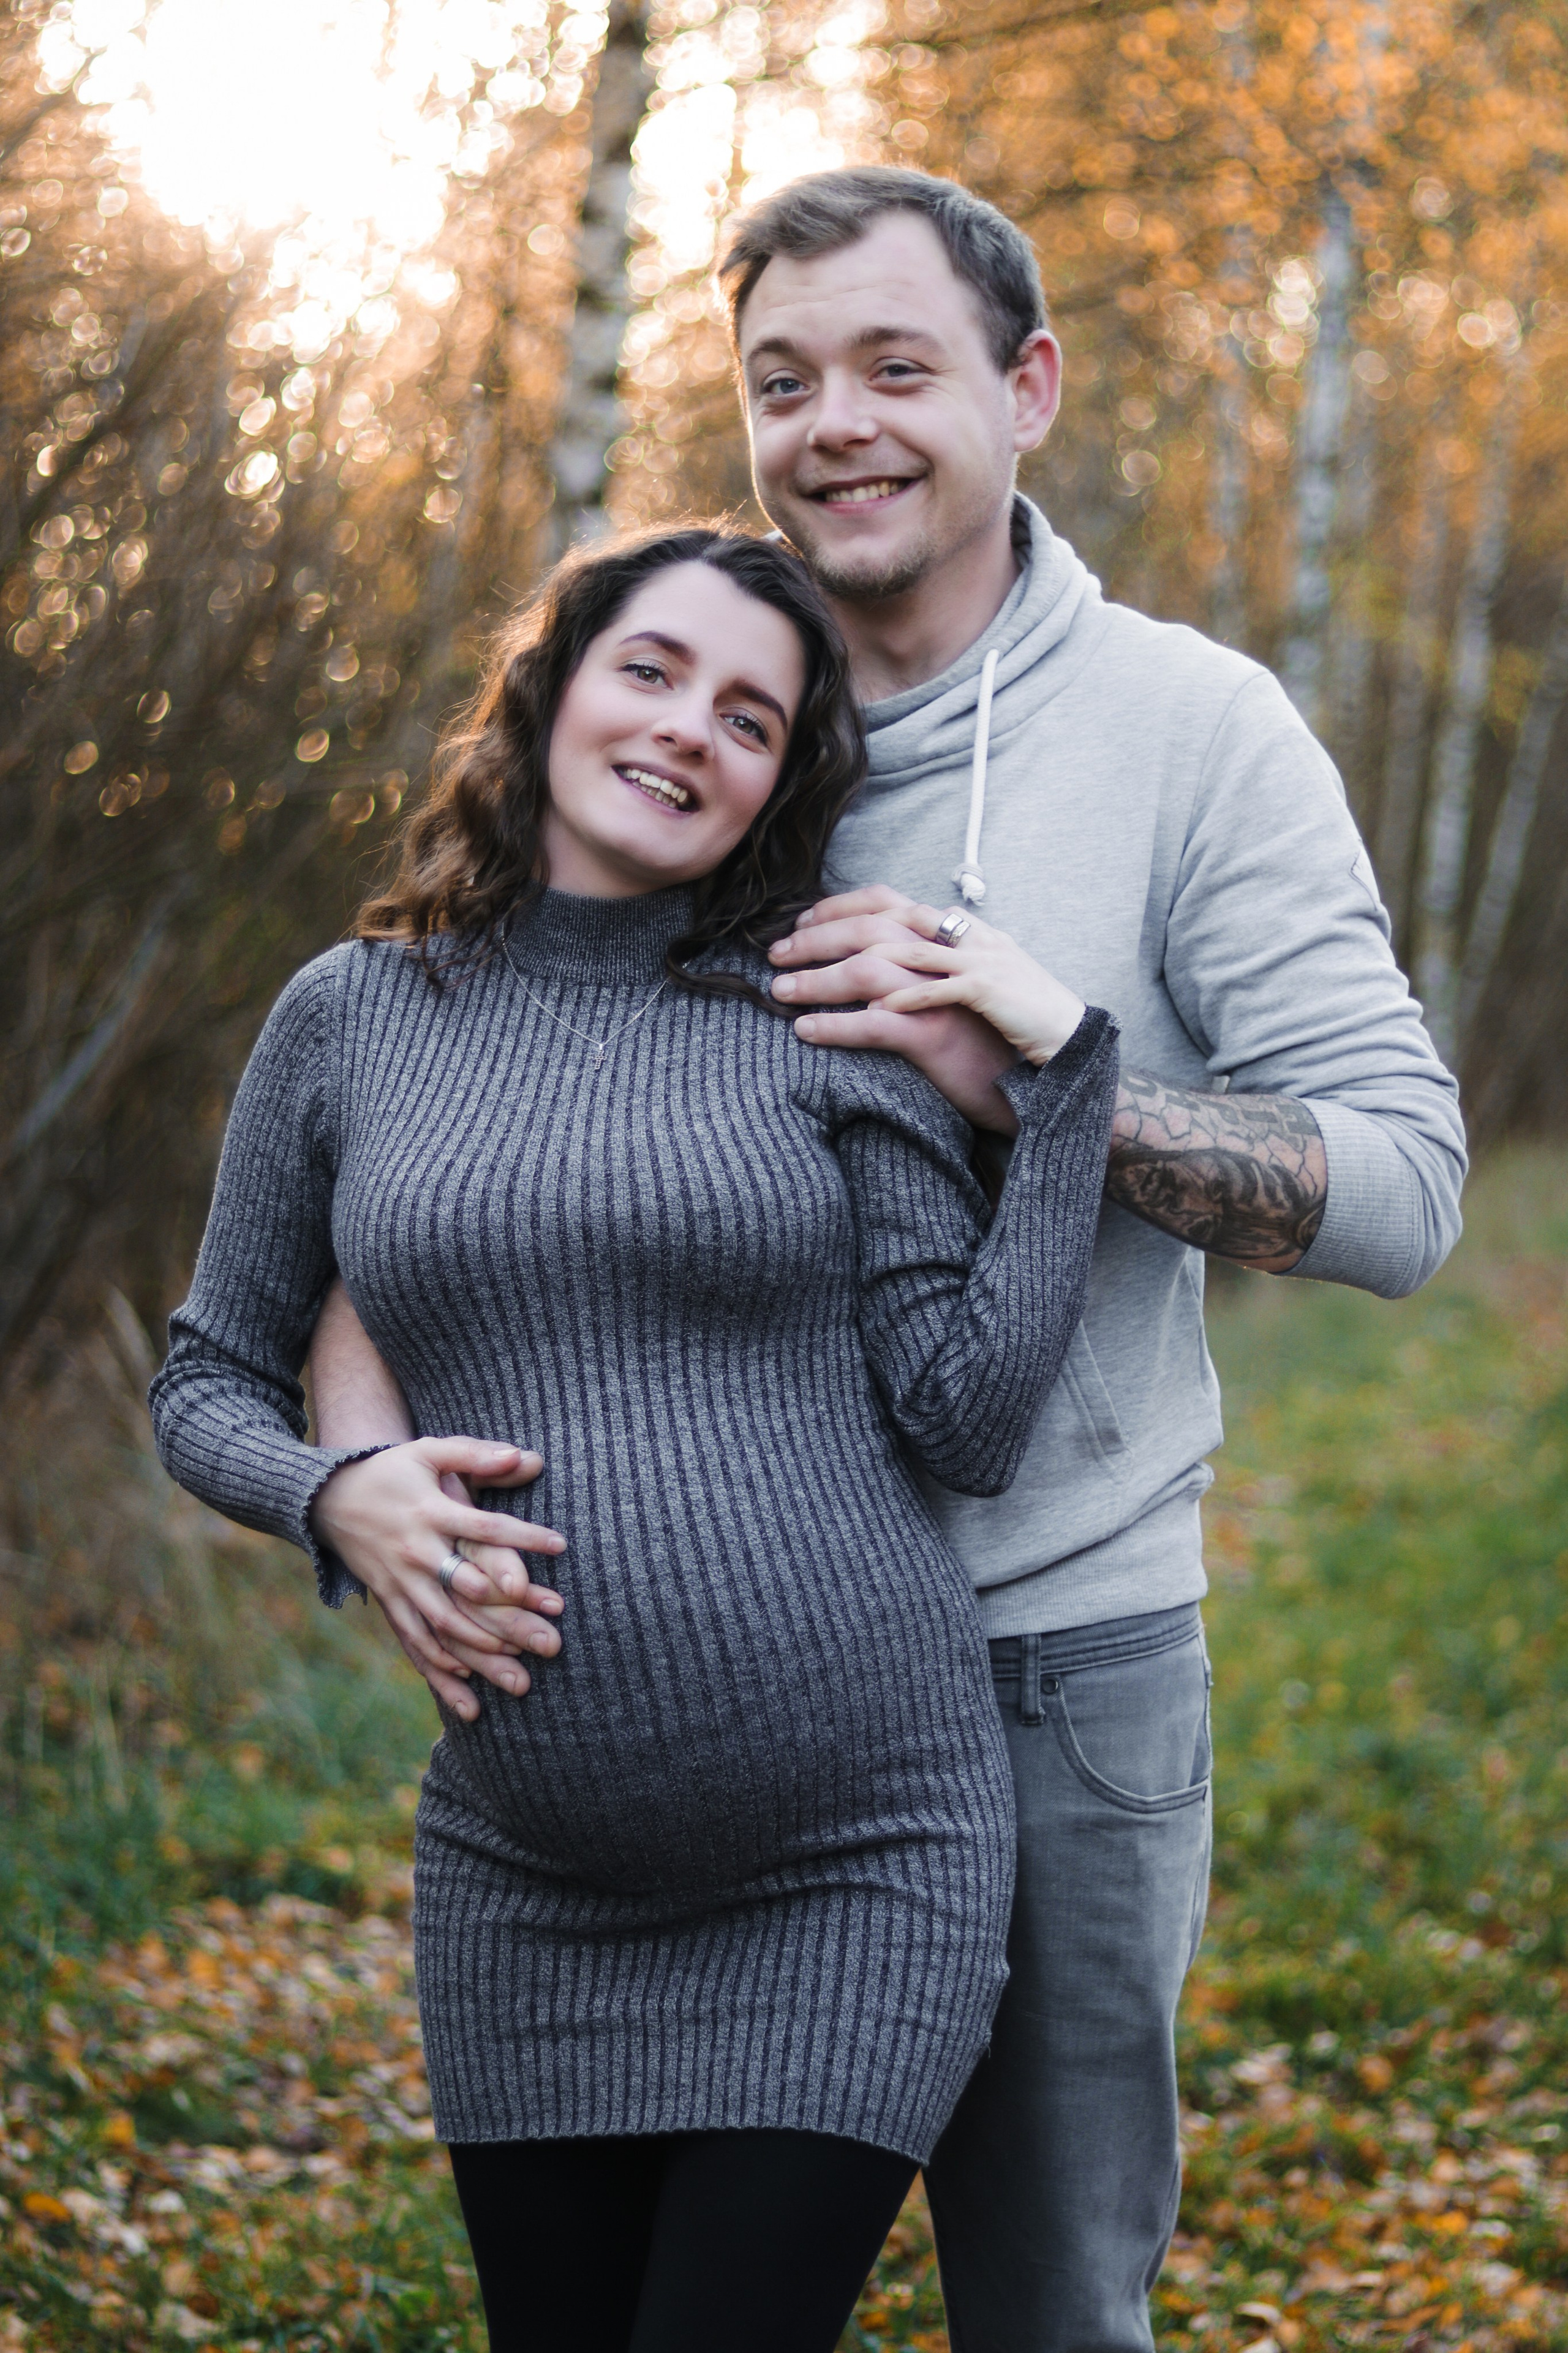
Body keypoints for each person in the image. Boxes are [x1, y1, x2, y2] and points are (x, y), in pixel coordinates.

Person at [311, 169, 1469, 2353]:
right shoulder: (697, 722)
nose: (833, 419)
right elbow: (430, 1124)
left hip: (1045, 1677)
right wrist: (363, 1484)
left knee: (1044, 2314)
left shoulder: (1192, 734)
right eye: (780, 378)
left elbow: (1405, 1189)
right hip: (648, 1720)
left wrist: (1035, 1076)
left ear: (1027, 390)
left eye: (897, 365)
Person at [149, 525, 1121, 2353]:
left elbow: (969, 1418)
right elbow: (206, 1379)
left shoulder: (821, 1018)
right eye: (654, 671)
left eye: (752, 718)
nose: (690, 732)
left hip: (861, 1858)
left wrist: (1069, 1092)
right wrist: (336, 1490)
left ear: (781, 785)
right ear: (555, 684)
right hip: (527, 1881)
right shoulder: (353, 1019)